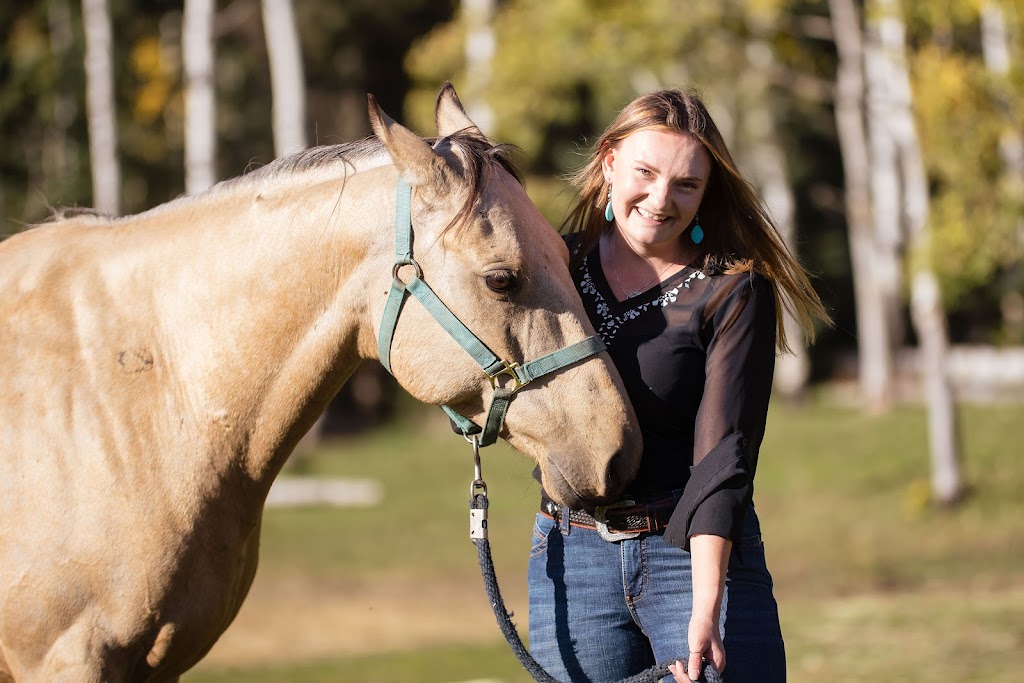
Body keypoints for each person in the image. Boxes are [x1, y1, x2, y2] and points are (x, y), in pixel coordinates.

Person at [526, 88, 831, 683]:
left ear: (707, 190)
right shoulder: (557, 270)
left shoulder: (732, 289)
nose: (661, 200)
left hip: (691, 553)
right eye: (645, 172)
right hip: (572, 552)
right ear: (610, 162)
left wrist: (707, 604)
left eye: (686, 184)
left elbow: (723, 458)